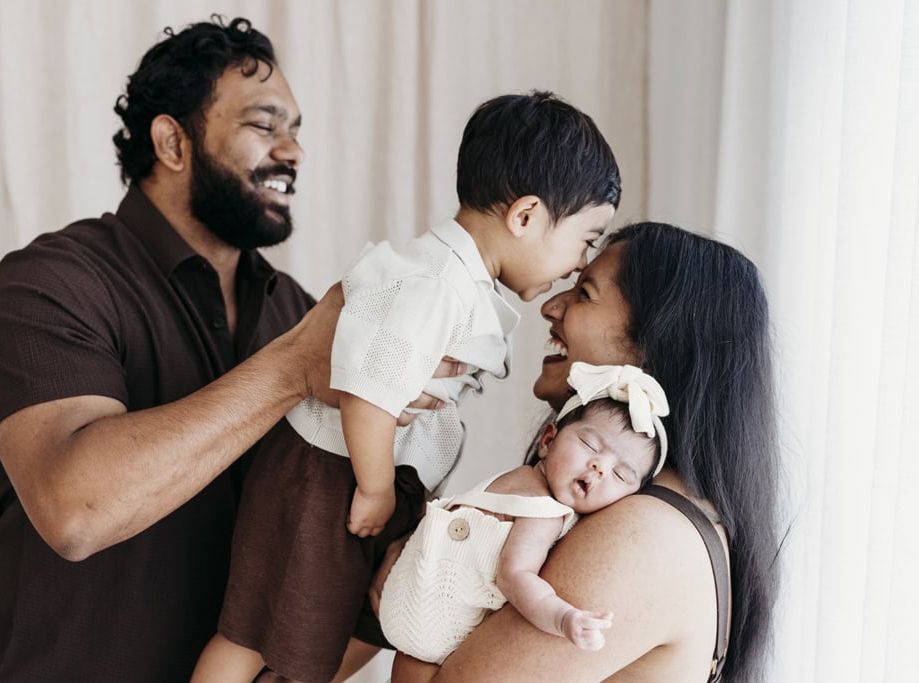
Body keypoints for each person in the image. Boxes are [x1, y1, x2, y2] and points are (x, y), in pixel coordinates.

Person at [0, 16, 433, 682]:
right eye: (265, 125)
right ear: (172, 142)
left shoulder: (297, 314)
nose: (293, 152)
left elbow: (336, 567)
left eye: (296, 130)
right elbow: (75, 510)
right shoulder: (50, 282)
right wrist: (293, 369)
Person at [192, 92, 621, 683]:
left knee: (328, 626)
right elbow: (368, 390)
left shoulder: (461, 285)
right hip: (331, 470)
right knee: (254, 629)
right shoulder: (433, 284)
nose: (578, 265)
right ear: (524, 217)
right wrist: (373, 489)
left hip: (363, 472)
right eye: (586, 240)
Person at [386, 222, 782, 682]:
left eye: (584, 293)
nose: (551, 306)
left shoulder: (645, 534)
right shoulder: (643, 510)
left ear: (657, 344)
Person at [379, 363, 670, 668]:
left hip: (400, 603)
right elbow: (515, 577)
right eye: (590, 444)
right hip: (434, 630)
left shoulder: (517, 477)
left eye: (621, 475)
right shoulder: (543, 511)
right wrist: (562, 618)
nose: (600, 467)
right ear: (547, 440)